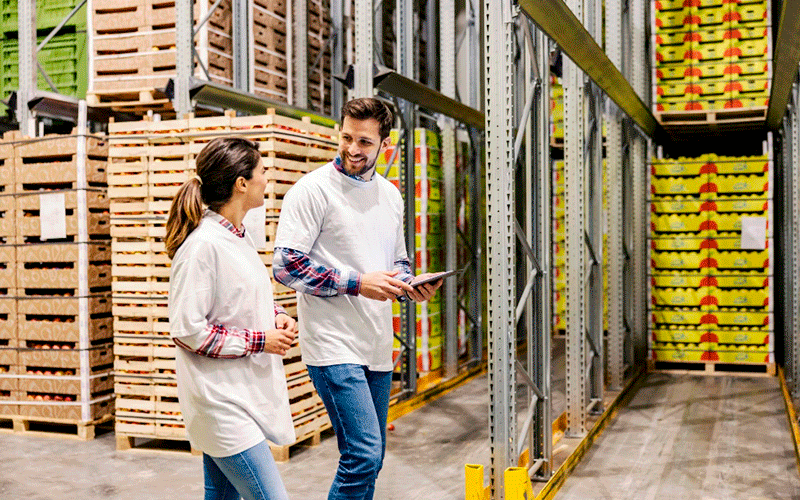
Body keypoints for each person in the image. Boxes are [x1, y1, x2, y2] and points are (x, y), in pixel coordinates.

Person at [273, 97, 443, 500]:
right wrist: (356, 282)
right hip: (333, 345)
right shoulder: (312, 191)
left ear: (384, 143)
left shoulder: (390, 196)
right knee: (363, 455)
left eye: (364, 142)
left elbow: (397, 259)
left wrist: (409, 284)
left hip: (376, 344)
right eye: (347, 137)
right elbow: (285, 265)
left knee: (372, 457)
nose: (352, 148)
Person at [166, 137, 299, 500]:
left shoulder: (238, 237)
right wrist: (261, 340)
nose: (266, 180)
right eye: (262, 172)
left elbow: (241, 297)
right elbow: (187, 330)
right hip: (220, 404)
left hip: (238, 396)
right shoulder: (202, 247)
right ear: (242, 183)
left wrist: (278, 315)